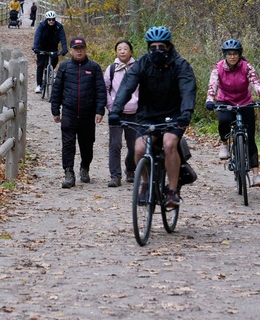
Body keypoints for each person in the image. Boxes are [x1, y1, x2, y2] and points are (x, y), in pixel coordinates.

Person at [109, 26, 196, 208]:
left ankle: (172, 191)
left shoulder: (180, 64)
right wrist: (116, 110)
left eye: (161, 47)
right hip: (148, 115)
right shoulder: (142, 63)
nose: (157, 50)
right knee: (139, 149)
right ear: (148, 47)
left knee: (169, 143)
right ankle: (146, 184)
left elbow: (188, 90)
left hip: (174, 115)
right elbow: (127, 86)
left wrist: (186, 113)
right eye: (153, 47)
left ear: (169, 47)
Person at [204, 39, 260, 188]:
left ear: (240, 55)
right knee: (224, 121)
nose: (232, 57)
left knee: (251, 139)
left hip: (245, 102)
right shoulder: (218, 68)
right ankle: (224, 144)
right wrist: (209, 99)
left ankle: (255, 175)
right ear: (225, 55)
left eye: (235, 54)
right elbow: (212, 85)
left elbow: (255, 83)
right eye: (229, 54)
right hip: (225, 101)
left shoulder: (247, 67)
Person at [51, 36, 107, 188]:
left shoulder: (94, 67)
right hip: (69, 112)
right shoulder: (64, 67)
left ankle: (85, 167)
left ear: (86, 49)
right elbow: (57, 89)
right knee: (68, 144)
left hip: (88, 114)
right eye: (76, 49)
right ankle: (69, 173)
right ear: (70, 51)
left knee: (87, 144)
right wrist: (55, 109)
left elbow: (100, 90)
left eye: (81, 48)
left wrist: (99, 110)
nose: (79, 51)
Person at [104, 39, 138, 187]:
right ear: (116, 52)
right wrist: (111, 106)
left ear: (131, 51)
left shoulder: (138, 68)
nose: (123, 51)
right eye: (119, 49)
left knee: (134, 146)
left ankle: (130, 169)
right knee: (115, 145)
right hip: (116, 113)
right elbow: (105, 88)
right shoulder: (111, 69)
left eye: (125, 48)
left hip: (134, 112)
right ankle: (115, 176)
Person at [32, 10, 66, 94]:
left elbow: (63, 38)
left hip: (53, 47)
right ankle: (39, 85)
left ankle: (50, 70)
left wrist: (64, 48)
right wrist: (35, 47)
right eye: (49, 19)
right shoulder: (42, 26)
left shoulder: (59, 27)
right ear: (47, 19)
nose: (51, 21)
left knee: (55, 60)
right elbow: (37, 36)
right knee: (40, 66)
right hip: (42, 47)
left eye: (53, 19)